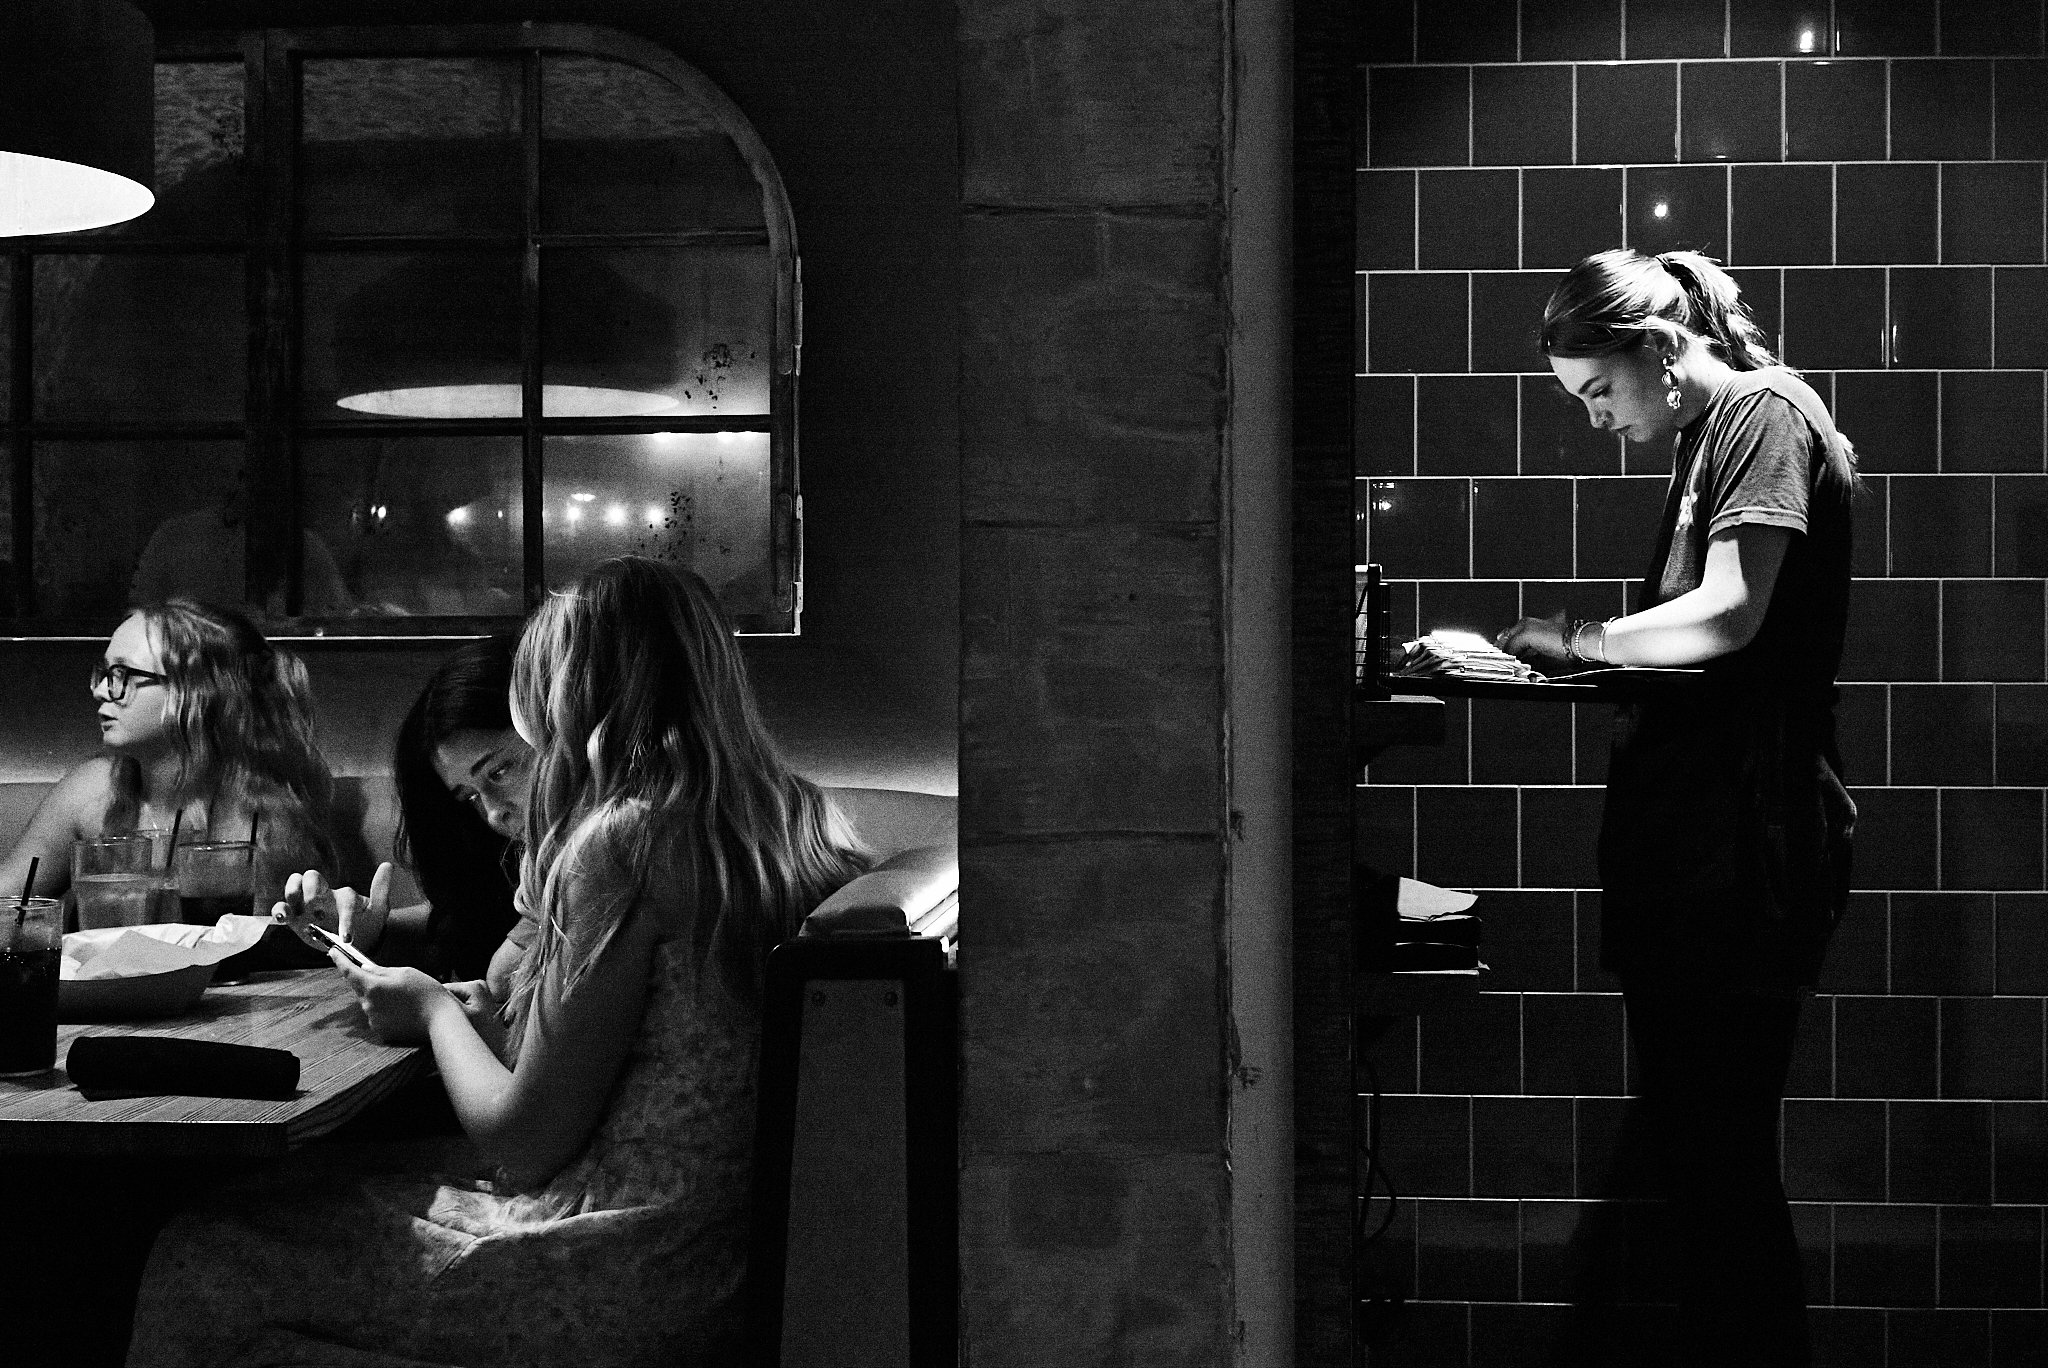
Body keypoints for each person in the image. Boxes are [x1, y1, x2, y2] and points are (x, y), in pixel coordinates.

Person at [126, 556, 871, 1368]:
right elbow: (657, 1057)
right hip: (719, 1244)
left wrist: (436, 1011)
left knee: (204, 1253)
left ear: (578, 699)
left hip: (624, 1266)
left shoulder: (625, 842)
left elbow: (522, 1141)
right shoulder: (796, 818)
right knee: (271, 1199)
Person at [1498, 248, 1857, 1368]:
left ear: (1656, 350)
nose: (1596, 417)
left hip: (1745, 853)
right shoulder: (1711, 438)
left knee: (1720, 1167)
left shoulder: (1761, 413)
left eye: (1597, 389)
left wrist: (1571, 644)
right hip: (1712, 849)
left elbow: (1730, 614)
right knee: (1709, 1167)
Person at [0, 599, 350, 906]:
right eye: (104, 673)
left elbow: (284, 942)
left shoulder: (263, 813)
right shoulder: (92, 792)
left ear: (195, 692)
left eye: (121, 674)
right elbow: (9, 897)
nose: (101, 690)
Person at [312, 636, 531, 987]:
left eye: (499, 772)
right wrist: (370, 930)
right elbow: (478, 919)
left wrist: (436, 1014)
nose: (492, 814)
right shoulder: (516, 862)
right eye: (469, 796)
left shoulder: (604, 850)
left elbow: (504, 986)